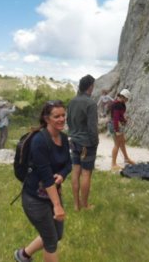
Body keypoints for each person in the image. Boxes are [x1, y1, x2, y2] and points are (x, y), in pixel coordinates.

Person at [14, 100, 72, 262]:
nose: (61, 119)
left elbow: (68, 163)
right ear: (47, 119)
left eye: (63, 115)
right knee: (51, 241)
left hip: (53, 194)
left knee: (56, 235)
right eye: (56, 116)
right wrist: (58, 206)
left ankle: (23, 255)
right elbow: (46, 177)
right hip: (35, 199)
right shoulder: (39, 141)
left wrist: (62, 174)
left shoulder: (64, 138)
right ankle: (23, 255)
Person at [67, 74, 98, 211]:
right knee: (86, 173)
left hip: (74, 140)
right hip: (87, 142)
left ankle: (76, 205)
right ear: (90, 86)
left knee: (76, 170)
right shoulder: (91, 103)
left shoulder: (72, 101)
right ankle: (85, 205)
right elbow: (92, 127)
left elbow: (68, 121)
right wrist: (95, 142)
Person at [108, 89, 135, 170]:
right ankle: (113, 164)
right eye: (127, 99)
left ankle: (126, 159)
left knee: (122, 142)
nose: (127, 101)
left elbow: (120, 116)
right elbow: (116, 118)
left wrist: (124, 121)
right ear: (123, 97)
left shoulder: (120, 104)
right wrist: (116, 130)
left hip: (117, 125)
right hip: (114, 125)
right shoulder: (117, 105)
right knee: (117, 144)